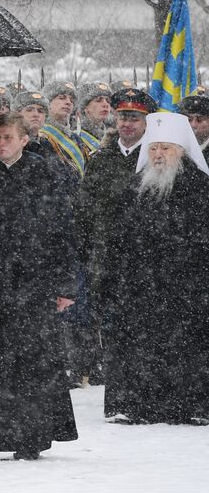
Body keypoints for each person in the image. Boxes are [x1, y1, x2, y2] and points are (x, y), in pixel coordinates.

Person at [0, 113, 77, 459]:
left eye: (9, 137)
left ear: (24, 139)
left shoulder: (44, 173)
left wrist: (66, 284)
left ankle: (29, 437)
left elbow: (62, 230)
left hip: (33, 282)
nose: (2, 143)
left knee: (29, 362)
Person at [100, 112, 209, 424]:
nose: (159, 155)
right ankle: (135, 405)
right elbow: (117, 238)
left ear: (182, 151)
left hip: (188, 284)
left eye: (166, 148)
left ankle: (192, 405)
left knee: (189, 343)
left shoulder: (201, 188)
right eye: (153, 148)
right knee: (138, 342)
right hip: (140, 284)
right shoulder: (133, 188)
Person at [77, 87, 153, 419]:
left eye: (134, 118)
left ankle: (147, 399)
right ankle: (120, 401)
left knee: (145, 330)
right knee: (113, 330)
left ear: (147, 122)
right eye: (122, 116)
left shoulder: (154, 157)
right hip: (107, 259)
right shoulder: (101, 159)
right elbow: (84, 210)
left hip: (144, 260)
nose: (127, 124)